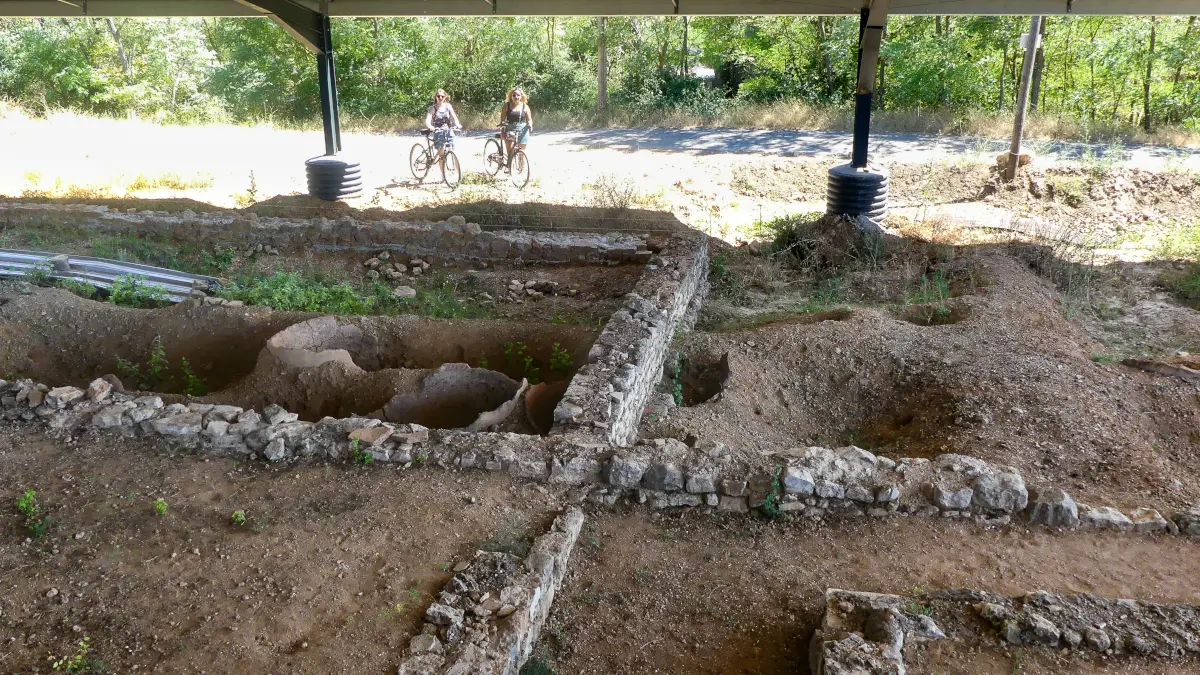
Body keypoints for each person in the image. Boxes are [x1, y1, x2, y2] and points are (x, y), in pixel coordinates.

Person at [425, 89, 461, 163]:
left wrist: (457, 124)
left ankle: (457, 170)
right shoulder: (433, 108)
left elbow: (454, 117)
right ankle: (442, 171)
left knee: (452, 151)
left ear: (445, 97)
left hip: (448, 131)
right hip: (438, 132)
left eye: (442, 96)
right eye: (438, 96)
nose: (440, 98)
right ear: (436, 97)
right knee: (441, 156)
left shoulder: (448, 106)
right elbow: (428, 120)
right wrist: (431, 127)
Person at [499, 87, 533, 169]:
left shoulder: (525, 106)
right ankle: (510, 167)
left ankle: (521, 169)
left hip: (523, 129)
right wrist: (502, 132)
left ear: (521, 96)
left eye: (518, 95)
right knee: (510, 150)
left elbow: (529, 119)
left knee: (521, 151)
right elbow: (502, 121)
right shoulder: (506, 106)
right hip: (510, 129)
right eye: (514, 95)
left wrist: (530, 124)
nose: (516, 97)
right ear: (511, 96)